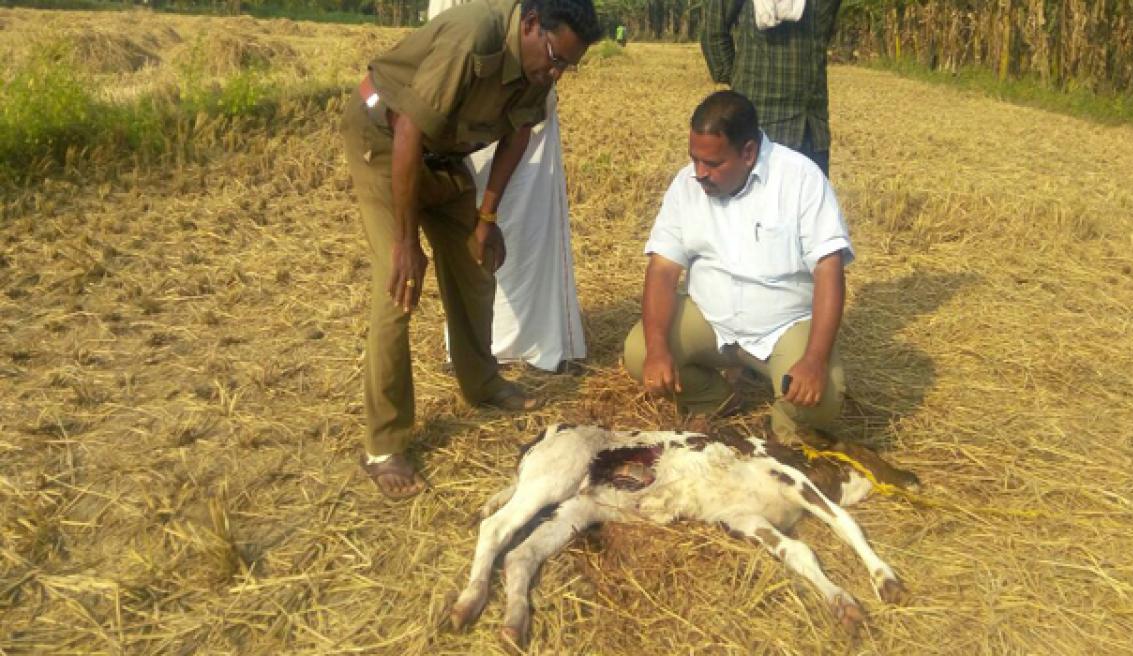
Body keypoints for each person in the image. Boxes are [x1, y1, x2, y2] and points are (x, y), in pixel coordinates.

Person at [342, 0, 603, 499]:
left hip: (442, 153)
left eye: (567, 65)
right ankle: (384, 443)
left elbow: (519, 132)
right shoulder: (473, 36)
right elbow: (407, 130)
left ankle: (480, 382)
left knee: (475, 262)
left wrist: (486, 217)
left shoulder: (540, 68)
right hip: (385, 139)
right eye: (554, 58)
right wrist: (405, 241)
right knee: (397, 285)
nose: (556, 73)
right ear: (529, 25)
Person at [622, 91, 852, 441]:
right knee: (639, 354)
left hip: (783, 326)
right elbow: (663, 270)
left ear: (748, 153)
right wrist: (657, 349)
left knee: (823, 400)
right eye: (694, 159)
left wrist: (815, 360)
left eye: (712, 164)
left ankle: (784, 430)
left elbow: (828, 270)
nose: (700, 174)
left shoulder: (800, 179)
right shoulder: (686, 185)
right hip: (711, 319)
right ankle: (715, 399)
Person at [428, 0, 588, 375]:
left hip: (531, 108)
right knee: (470, 227)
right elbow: (446, 39)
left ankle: (538, 344)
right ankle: (475, 348)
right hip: (471, 104)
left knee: (531, 230)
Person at [701, 0, 842, 176]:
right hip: (760, 124)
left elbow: (823, 33)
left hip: (812, 128)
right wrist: (741, 82)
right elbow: (713, 32)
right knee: (757, 201)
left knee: (810, 199)